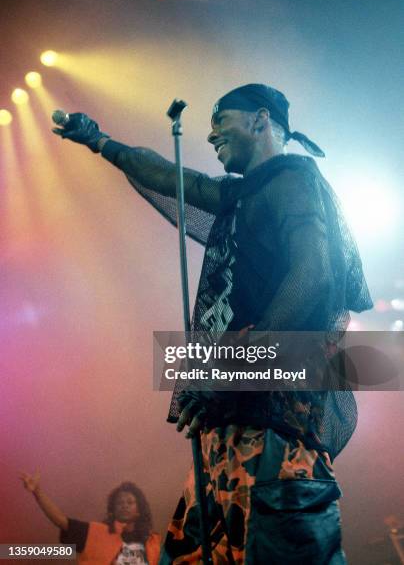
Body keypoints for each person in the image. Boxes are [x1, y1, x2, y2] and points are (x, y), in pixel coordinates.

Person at [52, 84, 373, 564]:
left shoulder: (294, 180)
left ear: (261, 120)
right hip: (232, 426)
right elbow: (172, 178)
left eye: (220, 119)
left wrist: (235, 365)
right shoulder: (243, 192)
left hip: (274, 427)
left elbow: (313, 278)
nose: (209, 133)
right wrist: (102, 143)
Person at [20, 472, 161, 564]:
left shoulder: (153, 543)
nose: (124, 505)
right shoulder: (95, 533)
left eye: (129, 502)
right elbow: (61, 521)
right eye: (119, 503)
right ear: (113, 510)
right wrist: (37, 492)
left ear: (139, 510)